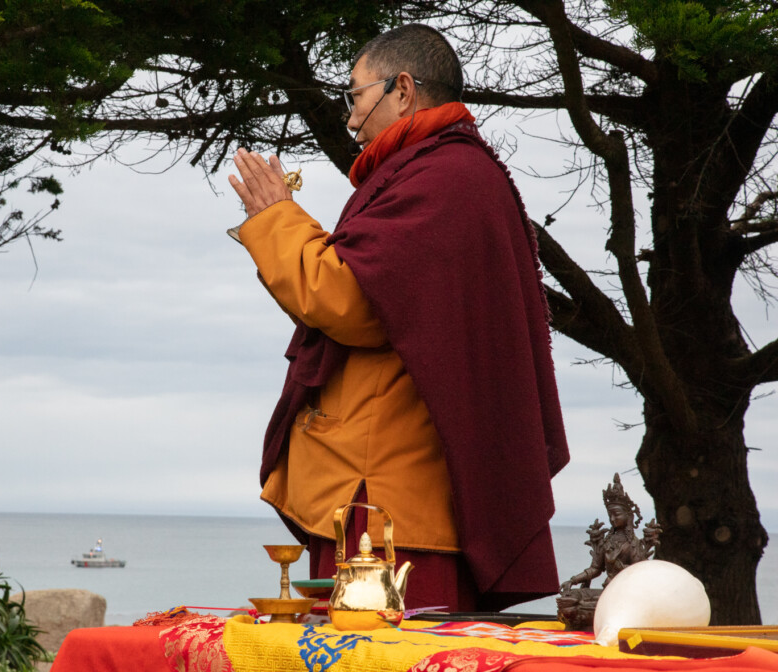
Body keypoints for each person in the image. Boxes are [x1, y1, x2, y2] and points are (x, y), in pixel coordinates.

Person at [227, 23, 570, 611]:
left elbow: (346, 299)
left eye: (356, 97)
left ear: (403, 90)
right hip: (391, 492)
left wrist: (277, 216)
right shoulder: (447, 173)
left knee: (381, 654)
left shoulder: (443, 178)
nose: (350, 120)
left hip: (385, 505)